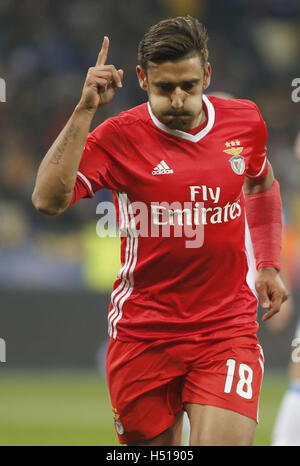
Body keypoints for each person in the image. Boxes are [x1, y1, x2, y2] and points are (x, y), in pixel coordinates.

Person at [32, 16, 288, 446]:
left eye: (188, 85)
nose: (177, 99)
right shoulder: (119, 137)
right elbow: (47, 200)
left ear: (207, 74)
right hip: (144, 335)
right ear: (141, 78)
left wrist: (267, 264)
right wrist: (85, 110)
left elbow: (261, 183)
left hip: (225, 330)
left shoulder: (245, 122)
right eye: (163, 87)